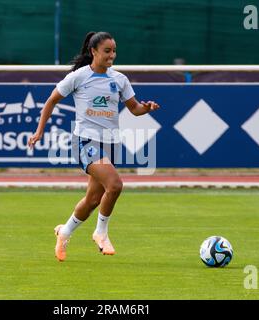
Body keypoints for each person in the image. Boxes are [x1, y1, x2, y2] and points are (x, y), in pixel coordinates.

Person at [28, 31, 160, 262]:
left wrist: (146, 108)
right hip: (85, 142)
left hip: (110, 143)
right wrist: (39, 130)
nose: (112, 55)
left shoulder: (119, 80)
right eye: (107, 51)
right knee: (115, 185)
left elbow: (134, 109)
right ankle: (101, 233)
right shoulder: (78, 77)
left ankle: (64, 232)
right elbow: (51, 100)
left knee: (92, 200)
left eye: (114, 51)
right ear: (94, 51)